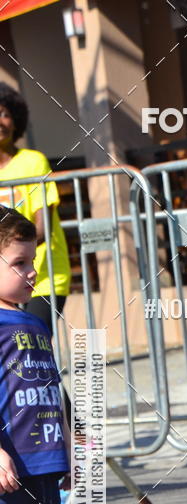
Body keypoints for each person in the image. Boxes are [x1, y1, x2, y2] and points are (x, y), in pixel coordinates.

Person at [0, 206, 93, 504]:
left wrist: (70, 441)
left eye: (32, 259)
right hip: (7, 460)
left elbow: (51, 387)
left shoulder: (34, 322)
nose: (32, 270)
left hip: (40, 456)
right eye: (18, 262)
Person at [0, 82, 72, 424]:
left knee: (35, 354)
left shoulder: (32, 161)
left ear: (16, 120)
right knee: (26, 362)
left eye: (4, 112)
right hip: (3, 281)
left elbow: (43, 224)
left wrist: (15, 251)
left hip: (42, 277)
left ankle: (80, 446)